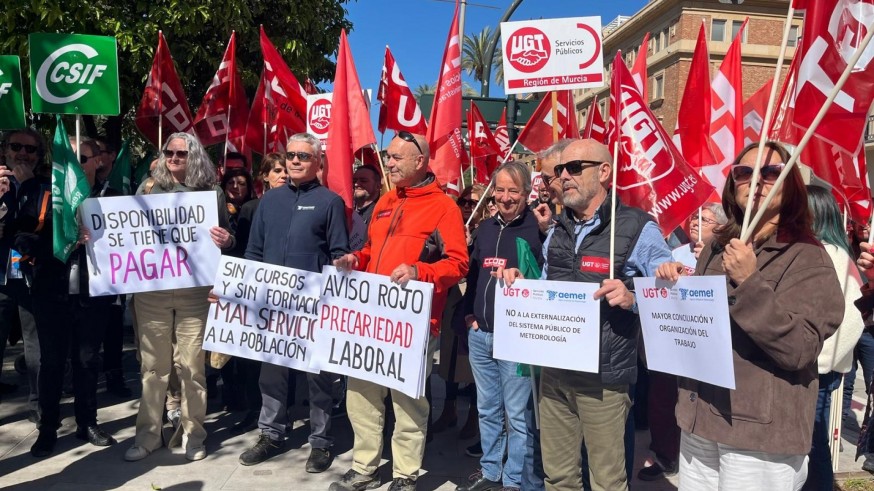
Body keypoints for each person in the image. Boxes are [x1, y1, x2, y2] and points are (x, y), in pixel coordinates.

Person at [656, 141, 843, 489]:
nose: (756, 181)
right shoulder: (716, 247)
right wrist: (675, 290)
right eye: (745, 173)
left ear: (791, 186)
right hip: (701, 416)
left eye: (771, 173)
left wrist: (749, 281)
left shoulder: (807, 257)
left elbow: (799, 348)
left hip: (759, 433)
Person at [498, 138, 673, 491]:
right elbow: (547, 287)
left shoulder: (638, 227)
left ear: (604, 172)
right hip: (555, 373)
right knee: (559, 477)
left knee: (607, 481)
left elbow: (670, 292)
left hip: (604, 379)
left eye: (575, 168)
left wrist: (633, 295)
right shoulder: (559, 229)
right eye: (560, 170)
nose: (563, 176)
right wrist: (522, 285)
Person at [330, 131, 469, 491]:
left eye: (395, 158)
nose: (387, 163)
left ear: (419, 161)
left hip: (415, 324)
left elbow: (458, 263)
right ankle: (365, 467)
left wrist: (420, 271)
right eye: (388, 157)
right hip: (371, 319)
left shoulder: (444, 207)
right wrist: (354, 260)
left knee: (408, 402)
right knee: (360, 396)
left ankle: (405, 474)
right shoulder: (387, 200)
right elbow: (372, 250)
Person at [236, 133, 349, 473]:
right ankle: (271, 434)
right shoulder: (269, 201)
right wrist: (241, 290)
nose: (296, 161)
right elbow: (254, 252)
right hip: (272, 303)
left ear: (318, 163)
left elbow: (338, 252)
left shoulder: (330, 202)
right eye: (291, 155)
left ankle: (320, 441)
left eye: (304, 156)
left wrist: (343, 267)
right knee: (271, 372)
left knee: (318, 376)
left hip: (312, 305)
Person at [124, 132, 235, 463]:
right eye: (169, 152)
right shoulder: (147, 188)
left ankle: (193, 434)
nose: (173, 158)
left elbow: (228, 238)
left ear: (194, 157)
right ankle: (147, 436)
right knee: (152, 367)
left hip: (194, 293)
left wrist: (226, 240)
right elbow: (125, 232)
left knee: (191, 367)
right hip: (151, 291)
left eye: (181, 154)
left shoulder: (211, 193)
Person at [27, 138, 118, 457]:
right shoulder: (44, 194)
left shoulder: (113, 198)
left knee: (88, 360)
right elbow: (24, 239)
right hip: (52, 292)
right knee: (52, 362)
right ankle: (48, 427)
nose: (74, 163)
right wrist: (63, 236)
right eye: (67, 157)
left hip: (94, 294)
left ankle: (87, 422)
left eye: (81, 157)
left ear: (97, 162)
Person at [457, 162, 545, 491]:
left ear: (526, 194)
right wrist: (469, 315)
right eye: (500, 190)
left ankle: (516, 478)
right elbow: (474, 275)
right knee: (487, 407)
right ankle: (491, 469)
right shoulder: (485, 229)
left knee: (519, 414)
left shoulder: (536, 229)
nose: (506, 198)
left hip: (518, 338)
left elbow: (545, 277)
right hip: (481, 333)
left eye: (514, 191)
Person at [805, 185, 864, 489]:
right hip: (813, 367)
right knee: (810, 445)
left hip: (814, 369)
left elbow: (854, 318)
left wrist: (822, 357)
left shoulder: (832, 255)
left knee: (811, 446)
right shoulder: (821, 251)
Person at [225, 152, 287, 436]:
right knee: (251, 358)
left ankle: (282, 410)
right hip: (255, 292)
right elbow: (241, 252)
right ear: (264, 176)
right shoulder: (251, 208)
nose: (283, 175)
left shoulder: (299, 205)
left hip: (287, 295)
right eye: (276, 170)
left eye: (285, 170)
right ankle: (255, 409)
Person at [434, 184, 485, 440]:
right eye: (464, 202)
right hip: (453, 301)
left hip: (474, 304)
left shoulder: (485, 231)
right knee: (450, 360)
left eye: (474, 203)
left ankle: (474, 418)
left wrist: (470, 246)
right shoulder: (450, 227)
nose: (468, 207)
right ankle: (449, 410)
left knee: (473, 365)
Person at [0, 130, 42, 424]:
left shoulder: (43, 185)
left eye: (31, 150)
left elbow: (41, 224)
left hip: (29, 274)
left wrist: (28, 186)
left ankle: (39, 402)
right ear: (5, 150)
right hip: (0, 276)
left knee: (35, 344)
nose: (23, 154)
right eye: (17, 147)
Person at [671, 203, 727, 275]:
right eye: (694, 217)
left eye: (703, 220)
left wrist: (706, 260)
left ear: (720, 228)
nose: (695, 223)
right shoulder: (677, 252)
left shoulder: (725, 256)